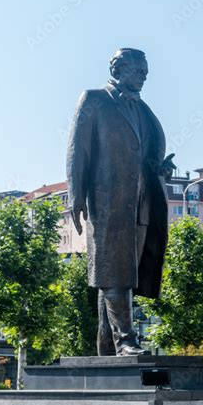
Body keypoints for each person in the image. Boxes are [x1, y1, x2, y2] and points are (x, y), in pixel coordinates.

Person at [67, 48, 175, 355]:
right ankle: (126, 340)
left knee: (121, 272)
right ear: (120, 68)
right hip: (108, 202)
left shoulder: (144, 111)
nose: (143, 77)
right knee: (114, 270)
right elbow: (78, 150)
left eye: (145, 73)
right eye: (139, 70)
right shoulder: (95, 100)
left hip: (140, 203)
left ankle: (107, 346)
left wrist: (160, 168)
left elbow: (145, 155)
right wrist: (75, 195)